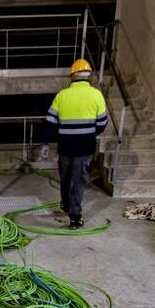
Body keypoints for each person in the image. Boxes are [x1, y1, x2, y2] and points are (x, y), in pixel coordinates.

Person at [43, 59, 109, 230]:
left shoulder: (62, 95)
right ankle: (75, 218)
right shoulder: (96, 95)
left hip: (65, 146)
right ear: (89, 76)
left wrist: (45, 142)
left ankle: (66, 205)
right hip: (84, 148)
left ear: (72, 76)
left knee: (65, 179)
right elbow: (102, 123)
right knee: (79, 182)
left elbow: (50, 122)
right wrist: (88, 134)